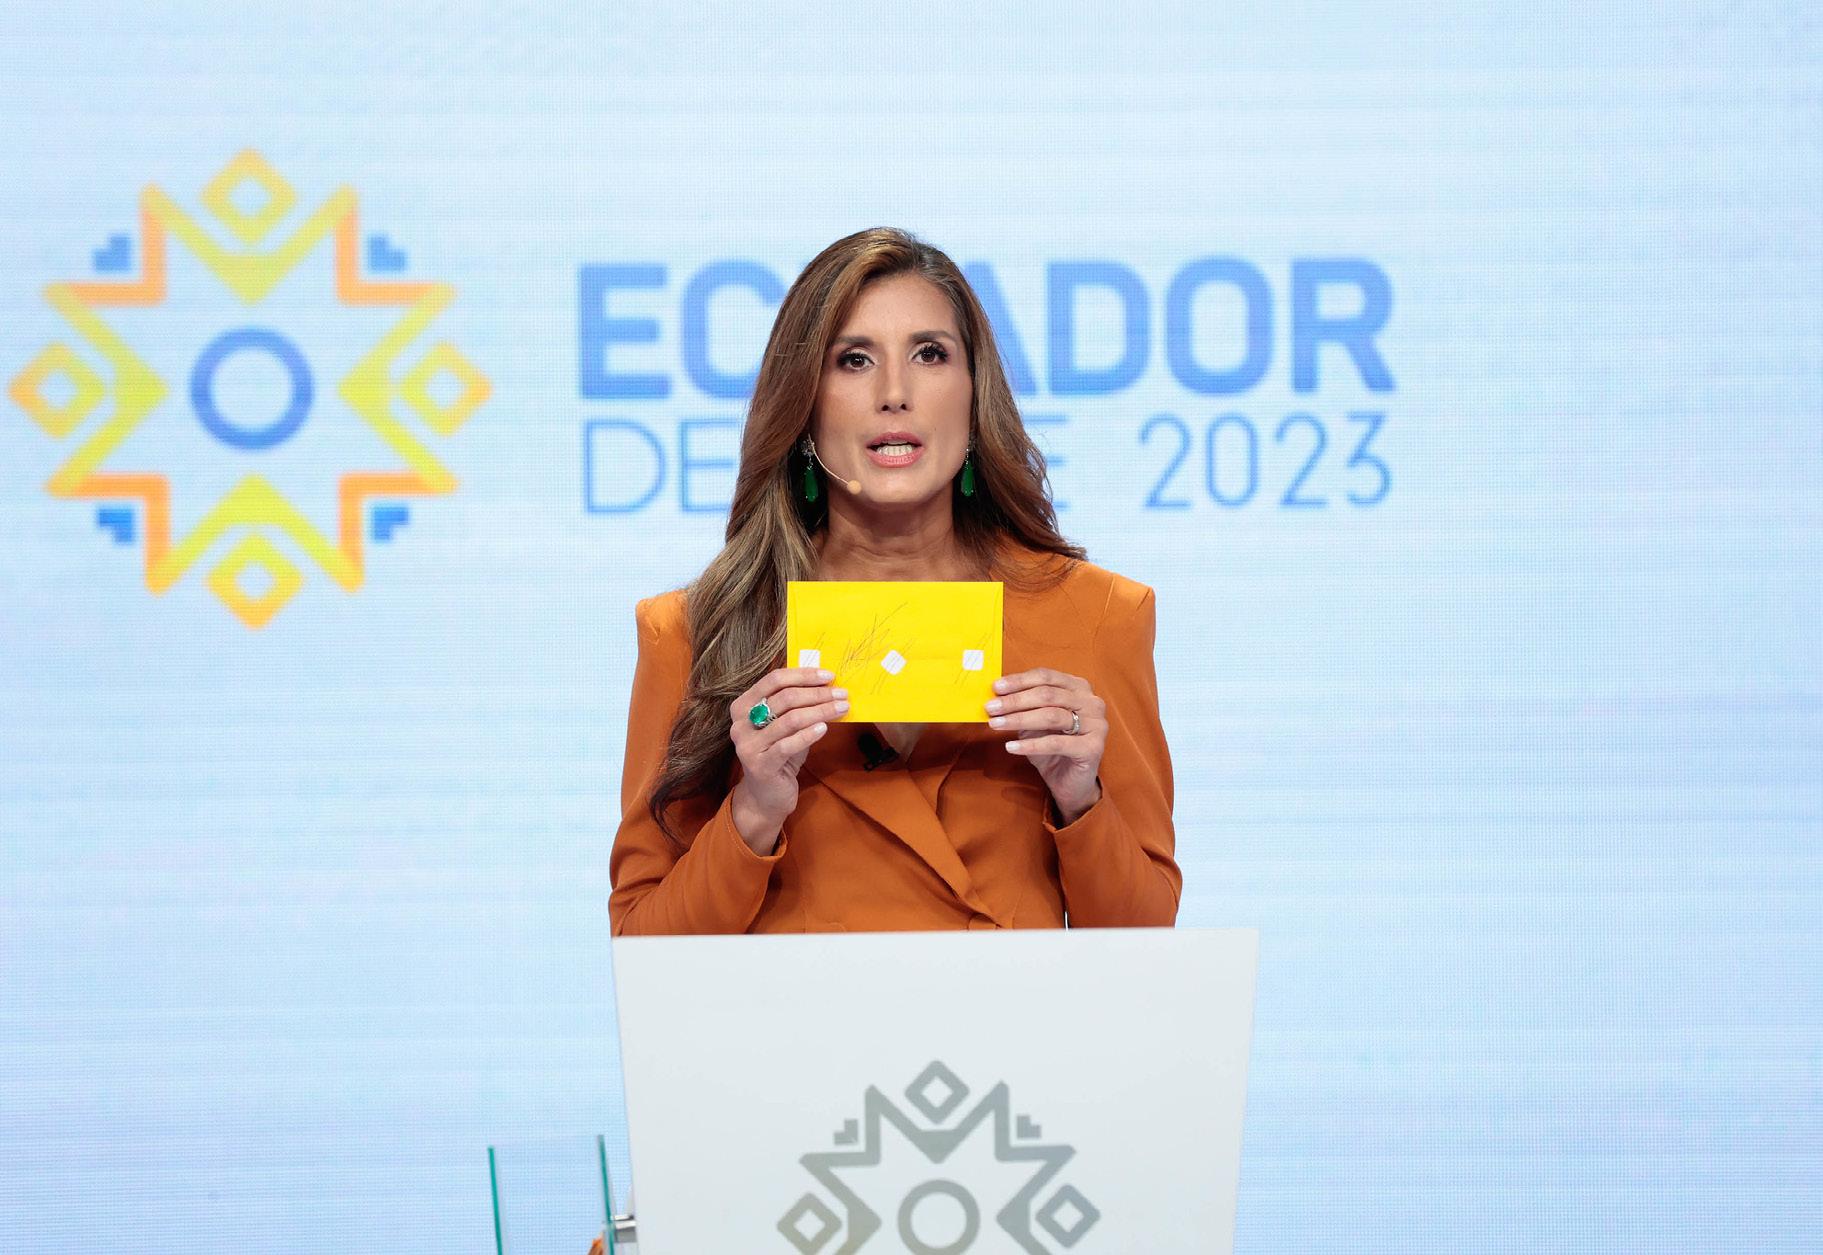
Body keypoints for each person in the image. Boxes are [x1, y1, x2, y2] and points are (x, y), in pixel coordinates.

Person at [608, 227, 1180, 934]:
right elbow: (643, 948)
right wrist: (753, 811)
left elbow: (1146, 943)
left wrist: (1079, 798)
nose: (894, 393)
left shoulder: (1097, 615)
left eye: (929, 354)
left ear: (974, 396)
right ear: (804, 406)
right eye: (853, 360)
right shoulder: (696, 632)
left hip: (1006, 1010)